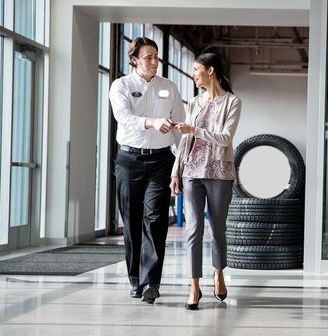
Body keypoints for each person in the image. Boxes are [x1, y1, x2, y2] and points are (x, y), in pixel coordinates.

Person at [109, 37, 184, 304]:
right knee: (131, 221)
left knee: (155, 219)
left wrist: (182, 165)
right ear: (134, 60)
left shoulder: (169, 87)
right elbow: (124, 118)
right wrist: (152, 122)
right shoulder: (121, 86)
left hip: (161, 162)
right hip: (128, 160)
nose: (154, 62)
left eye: (156, 57)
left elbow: (180, 129)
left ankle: (151, 281)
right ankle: (134, 280)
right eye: (148, 57)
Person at [169, 52, 241, 310]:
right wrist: (175, 172)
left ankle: (218, 273)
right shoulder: (194, 103)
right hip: (192, 172)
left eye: (196, 69)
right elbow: (185, 141)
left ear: (210, 71)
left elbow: (224, 138)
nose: (193, 74)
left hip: (220, 173)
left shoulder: (232, 102)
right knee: (193, 229)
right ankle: (194, 287)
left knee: (217, 229)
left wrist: (195, 130)